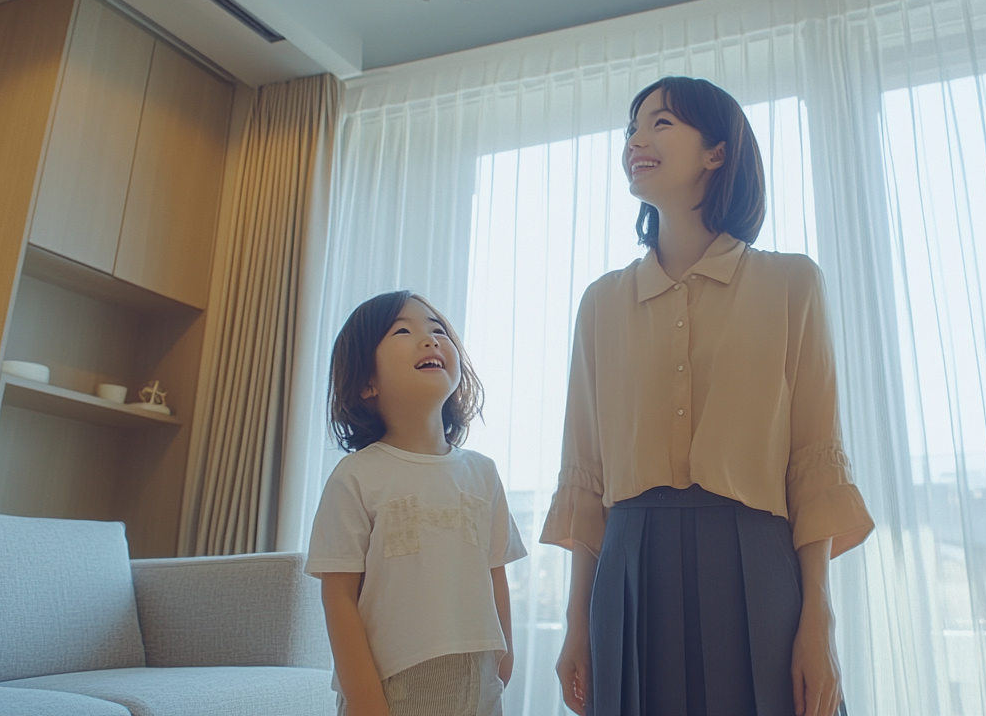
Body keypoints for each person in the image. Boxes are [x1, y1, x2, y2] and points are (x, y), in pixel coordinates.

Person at [541, 77, 875, 716]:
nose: (637, 139)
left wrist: (819, 619)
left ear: (717, 152)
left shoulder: (791, 284)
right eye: (631, 128)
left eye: (661, 123)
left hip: (757, 566)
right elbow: (586, 475)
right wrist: (576, 621)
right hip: (629, 570)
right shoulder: (601, 303)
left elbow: (813, 462)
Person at [307, 291, 527, 716]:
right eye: (404, 331)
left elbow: (494, 570)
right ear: (366, 382)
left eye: (438, 329)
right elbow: (338, 596)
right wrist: (364, 697)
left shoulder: (482, 473)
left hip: (479, 680)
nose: (429, 339)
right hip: (393, 686)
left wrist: (505, 653)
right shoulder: (355, 476)